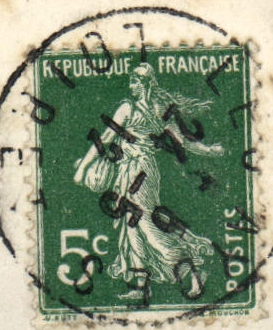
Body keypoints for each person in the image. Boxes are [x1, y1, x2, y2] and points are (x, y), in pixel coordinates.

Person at [74, 63, 225, 301]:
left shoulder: (153, 109)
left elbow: (182, 141)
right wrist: (83, 166)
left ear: (147, 84)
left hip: (141, 172)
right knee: (130, 225)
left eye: (136, 82)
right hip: (127, 170)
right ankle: (140, 285)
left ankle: (190, 268)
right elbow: (106, 137)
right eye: (131, 82)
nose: (132, 86)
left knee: (144, 222)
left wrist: (209, 150)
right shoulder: (134, 108)